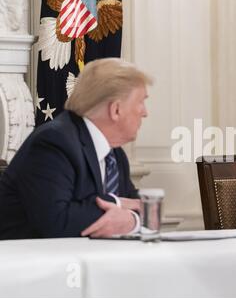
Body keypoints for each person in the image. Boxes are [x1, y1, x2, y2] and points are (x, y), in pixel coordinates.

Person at [0, 58, 152, 239]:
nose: (145, 112)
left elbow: (145, 209)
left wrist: (131, 221)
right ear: (116, 110)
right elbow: (56, 220)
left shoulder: (115, 154)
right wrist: (117, 203)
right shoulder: (54, 142)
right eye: (141, 102)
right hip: (25, 262)